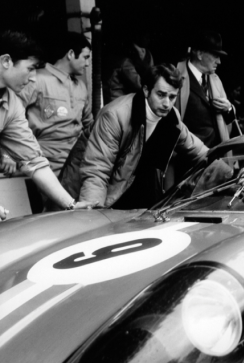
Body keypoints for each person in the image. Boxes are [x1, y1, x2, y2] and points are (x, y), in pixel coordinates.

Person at [61, 63, 208, 209]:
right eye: (161, 95)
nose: (167, 104)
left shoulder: (171, 118)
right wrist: (92, 217)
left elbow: (199, 151)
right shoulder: (115, 115)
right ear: (146, 90)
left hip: (128, 191)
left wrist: (228, 172)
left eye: (172, 97)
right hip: (88, 191)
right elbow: (97, 171)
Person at [0, 30, 93, 220]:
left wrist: (72, 204)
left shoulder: (11, 103)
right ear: (6, 61)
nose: (34, 77)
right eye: (30, 68)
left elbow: (35, 162)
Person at [19, 32, 94, 177]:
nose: (87, 64)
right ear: (71, 54)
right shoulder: (36, 79)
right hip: (45, 163)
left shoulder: (81, 87)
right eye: (85, 57)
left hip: (78, 162)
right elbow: (10, 117)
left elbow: (89, 125)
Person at [176, 30, 235, 147]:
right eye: (215, 56)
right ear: (199, 54)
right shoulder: (176, 76)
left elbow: (229, 120)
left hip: (216, 153)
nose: (219, 61)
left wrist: (228, 109)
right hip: (189, 157)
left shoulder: (215, 80)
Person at [106, 30, 154, 102]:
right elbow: (137, 84)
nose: (148, 40)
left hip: (128, 98)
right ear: (138, 37)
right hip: (118, 99)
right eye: (146, 37)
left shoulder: (146, 53)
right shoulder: (127, 57)